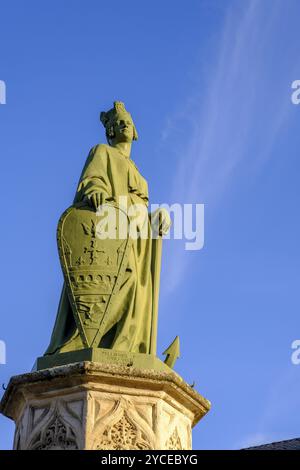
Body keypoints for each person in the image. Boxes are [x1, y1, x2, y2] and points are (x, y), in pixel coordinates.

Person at [45, 102, 170, 355]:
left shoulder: (137, 170)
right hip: (111, 232)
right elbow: (92, 179)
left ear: (135, 131)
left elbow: (140, 207)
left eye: (128, 121)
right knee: (122, 278)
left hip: (137, 235)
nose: (124, 124)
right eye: (119, 122)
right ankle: (91, 338)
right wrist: (96, 191)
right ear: (110, 130)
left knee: (138, 290)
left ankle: (127, 345)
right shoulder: (102, 152)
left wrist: (157, 216)